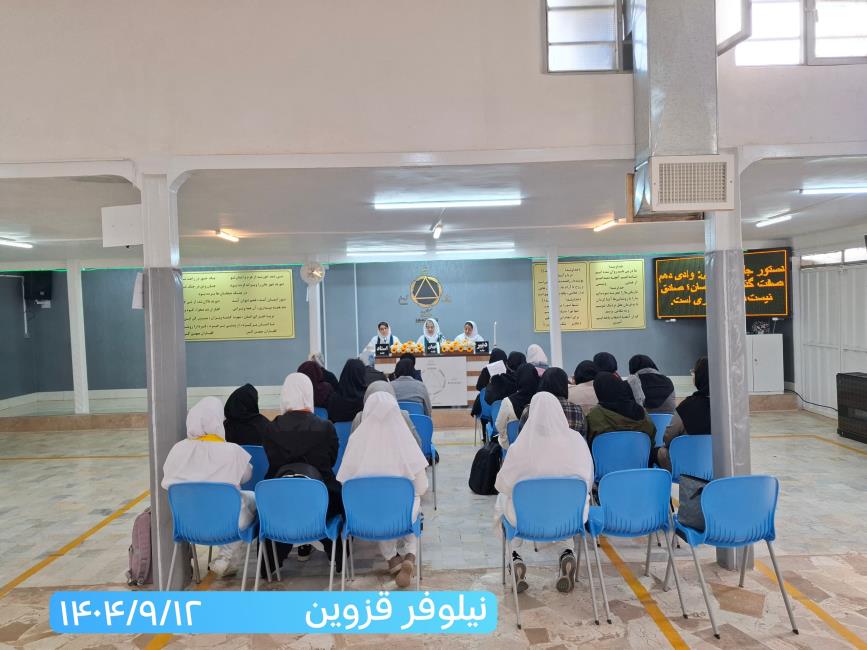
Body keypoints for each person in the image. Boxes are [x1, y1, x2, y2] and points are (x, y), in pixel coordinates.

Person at [495, 392, 594, 594]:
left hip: (527, 519)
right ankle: (567, 552)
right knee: (566, 501)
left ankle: (515, 557)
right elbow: (588, 480)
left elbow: (503, 483)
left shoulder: (521, 445)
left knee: (503, 498)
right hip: (570, 517)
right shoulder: (576, 440)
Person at [337, 392, 429, 589]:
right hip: (402, 516)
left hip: (365, 518)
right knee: (411, 502)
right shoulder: (405, 440)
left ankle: (392, 559)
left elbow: (345, 484)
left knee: (377, 504)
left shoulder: (356, 440)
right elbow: (422, 487)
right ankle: (410, 555)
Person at [161, 397, 254, 578]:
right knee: (246, 500)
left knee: (223, 503)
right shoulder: (231, 451)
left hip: (188, 524)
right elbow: (247, 475)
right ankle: (227, 557)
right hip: (227, 524)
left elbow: (167, 484)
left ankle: (226, 559)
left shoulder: (177, 450)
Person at [264, 373, 341, 564]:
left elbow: (272, 462)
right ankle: (338, 557)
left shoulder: (271, 429)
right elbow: (331, 461)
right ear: (309, 393)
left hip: (281, 504)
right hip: (323, 502)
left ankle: (270, 564)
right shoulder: (325, 427)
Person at [657, 357, 711, 472]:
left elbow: (668, 438)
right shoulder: (726, 407)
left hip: (688, 468)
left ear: (700, 376)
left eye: (694, 372)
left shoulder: (686, 407)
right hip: (717, 466)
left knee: (662, 452)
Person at [585, 372, 655, 447]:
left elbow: (588, 444)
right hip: (639, 454)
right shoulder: (642, 413)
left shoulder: (594, 417)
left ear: (598, 391)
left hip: (606, 454)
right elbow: (651, 441)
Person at [351, 380, 422, 450]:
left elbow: (352, 446)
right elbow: (417, 443)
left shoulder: (360, 418)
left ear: (367, 397)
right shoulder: (402, 415)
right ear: (392, 396)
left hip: (368, 457)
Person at [519, 367, 586, 438]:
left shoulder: (530, 410)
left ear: (542, 383)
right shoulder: (578, 411)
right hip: (571, 445)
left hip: (538, 445)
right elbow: (583, 439)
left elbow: (521, 437)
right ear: (565, 385)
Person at [495, 363, 540, 447]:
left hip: (512, 447)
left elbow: (499, 425)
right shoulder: (542, 400)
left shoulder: (507, 402)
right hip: (537, 448)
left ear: (518, 378)